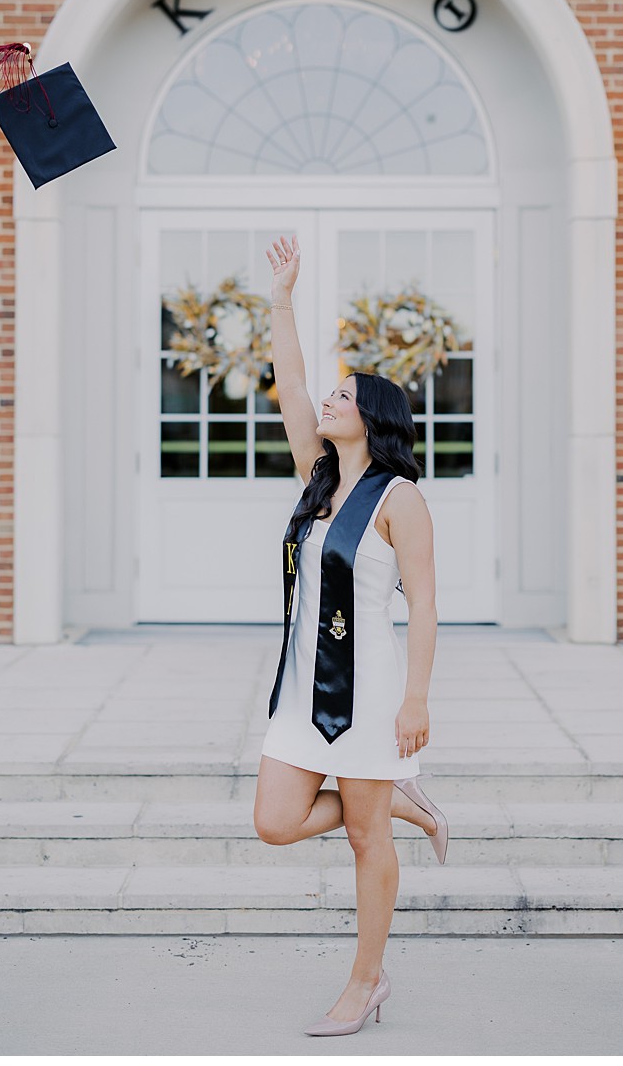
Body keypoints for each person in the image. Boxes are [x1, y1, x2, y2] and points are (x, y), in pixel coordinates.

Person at [248, 234, 451, 1037]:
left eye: (343, 395)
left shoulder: (399, 497)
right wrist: (281, 297)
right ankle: (406, 802)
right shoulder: (319, 476)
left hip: (369, 694)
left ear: (374, 415)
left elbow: (427, 604)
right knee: (273, 821)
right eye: (330, 395)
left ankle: (366, 983)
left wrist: (417, 700)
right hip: (303, 691)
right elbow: (289, 381)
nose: (327, 400)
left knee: (366, 838)